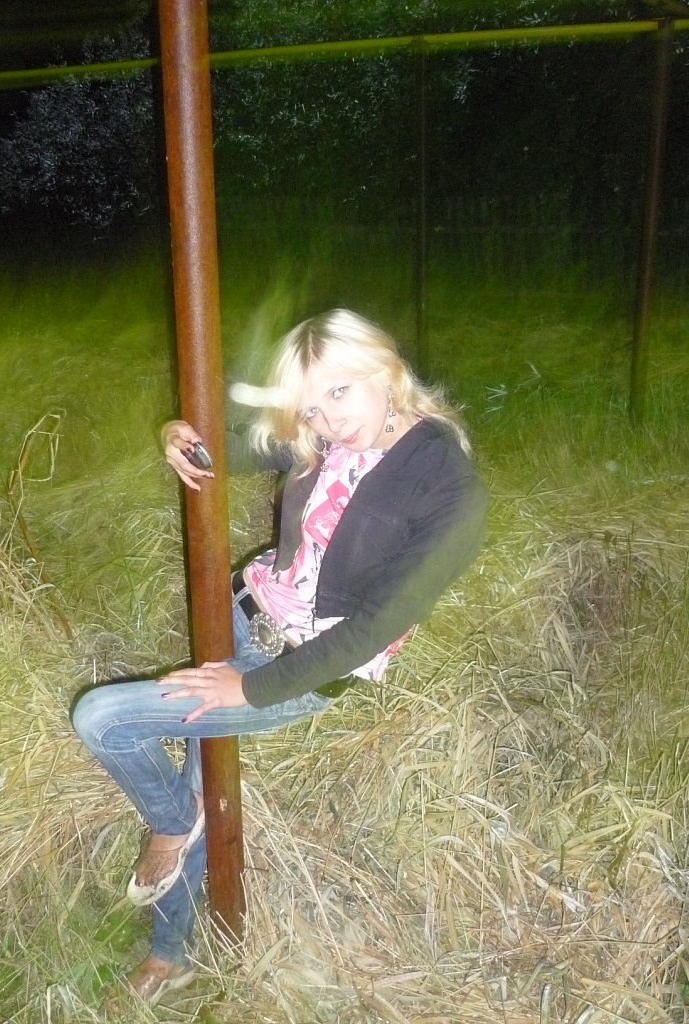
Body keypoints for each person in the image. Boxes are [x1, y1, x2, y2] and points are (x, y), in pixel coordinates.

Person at [71, 308, 488, 1009]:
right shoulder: (323, 434)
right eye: (311, 405)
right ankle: (171, 953)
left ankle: (171, 822)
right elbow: (239, 449)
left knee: (103, 719)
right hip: (242, 614)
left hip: (300, 670)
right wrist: (179, 435)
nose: (327, 420)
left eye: (340, 392)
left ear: (386, 371)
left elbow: (374, 630)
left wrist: (250, 690)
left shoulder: (447, 486)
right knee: (200, 783)